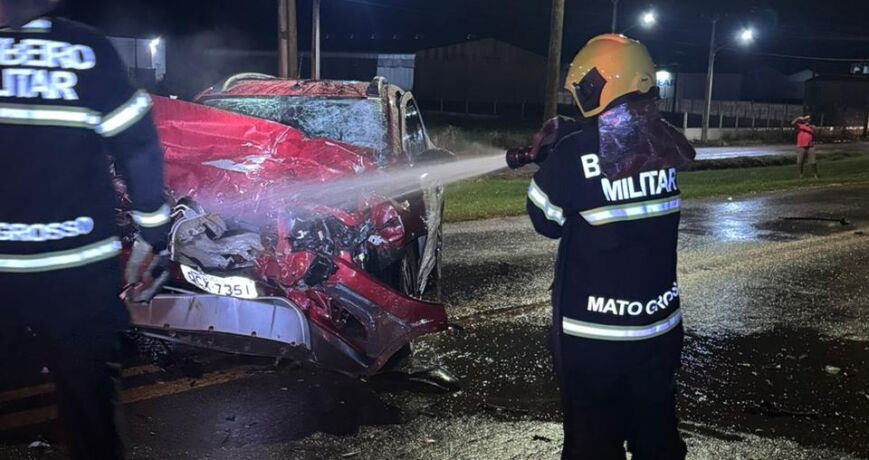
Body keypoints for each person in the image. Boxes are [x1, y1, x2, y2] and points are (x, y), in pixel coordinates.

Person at [0, 1, 171, 458]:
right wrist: (152, 235)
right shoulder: (86, 49)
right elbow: (138, 148)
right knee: (91, 417)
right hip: (78, 278)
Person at [523, 34, 695, 459]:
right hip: (659, 331)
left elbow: (544, 219)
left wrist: (556, 154)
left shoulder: (574, 154)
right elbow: (620, 158)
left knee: (592, 446)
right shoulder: (665, 146)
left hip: (594, 339)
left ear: (608, 83)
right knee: (657, 438)